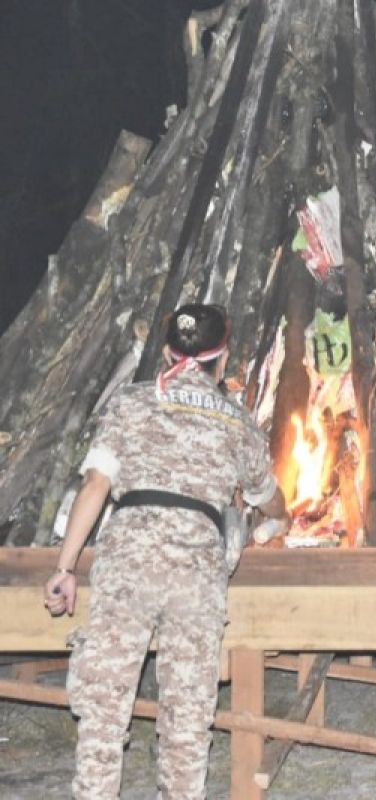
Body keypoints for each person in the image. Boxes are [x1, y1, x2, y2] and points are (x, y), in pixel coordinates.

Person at [43, 304, 290, 799]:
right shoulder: (237, 422)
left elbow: (95, 486)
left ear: (164, 353)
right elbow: (269, 496)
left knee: (103, 716)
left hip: (127, 563)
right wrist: (278, 517)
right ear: (222, 362)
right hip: (195, 573)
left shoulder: (131, 403)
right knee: (185, 723)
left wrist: (65, 568)